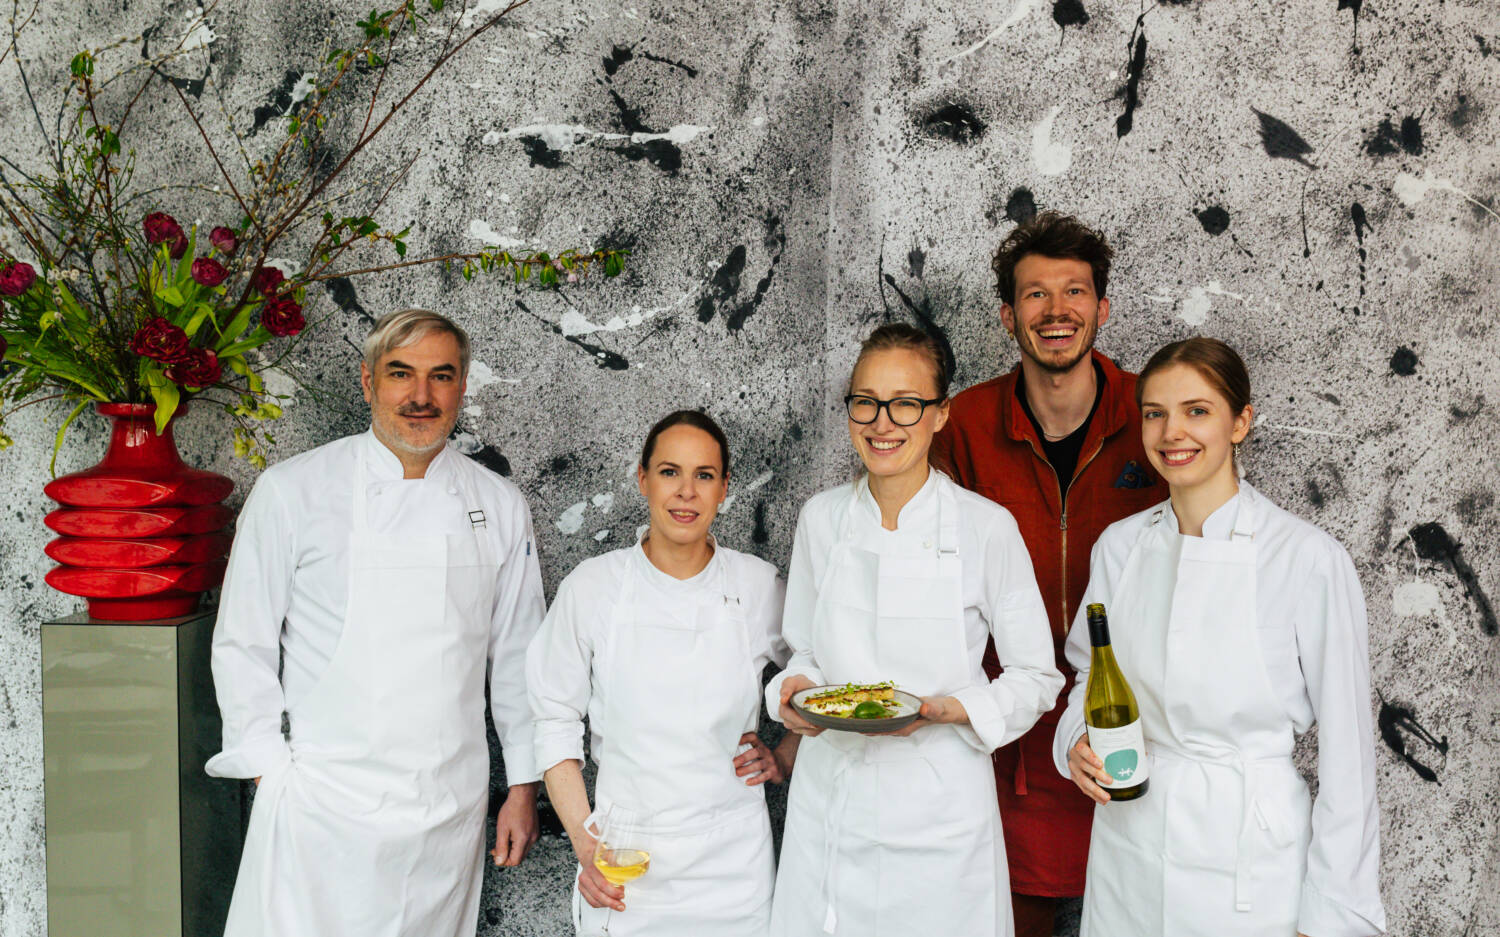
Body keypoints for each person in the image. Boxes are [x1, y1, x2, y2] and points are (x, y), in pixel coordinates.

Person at [207, 309, 545, 937]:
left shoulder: (498, 504)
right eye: (401, 374)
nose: (421, 396)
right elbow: (241, 642)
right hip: (321, 806)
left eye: (441, 376)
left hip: (446, 810)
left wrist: (522, 784)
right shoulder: (292, 491)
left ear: (462, 387)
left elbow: (521, 654)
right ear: (367, 383)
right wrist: (268, 768)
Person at [1054, 337, 1386, 937]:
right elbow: (1089, 676)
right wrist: (1076, 741)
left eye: (1197, 411)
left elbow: (1349, 758)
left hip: (1249, 865)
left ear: (1240, 423)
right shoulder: (1121, 548)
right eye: (1155, 413)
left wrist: (1332, 915)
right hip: (1130, 849)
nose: (1171, 432)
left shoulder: (1307, 559)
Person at [767, 323, 1062, 937]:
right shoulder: (821, 520)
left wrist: (950, 709)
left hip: (940, 806)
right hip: (833, 805)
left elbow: (1036, 675)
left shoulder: (986, 528)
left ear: (939, 415)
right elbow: (808, 650)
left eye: (906, 404)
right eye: (866, 402)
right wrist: (793, 692)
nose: (883, 422)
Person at [930, 211, 1162, 936]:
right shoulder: (962, 425)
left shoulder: (1152, 417)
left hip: (1132, 753)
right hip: (1003, 768)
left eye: (1074, 291)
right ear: (1007, 315)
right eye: (1035, 294)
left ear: (1102, 307)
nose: (1056, 310)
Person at [527, 410, 797, 937]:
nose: (686, 492)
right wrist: (586, 846)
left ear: (724, 489)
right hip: (626, 857)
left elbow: (819, 679)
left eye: (704, 475)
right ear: (642, 478)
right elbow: (553, 719)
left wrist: (785, 755)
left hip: (733, 858)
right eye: (670, 472)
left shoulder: (758, 586)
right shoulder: (594, 587)